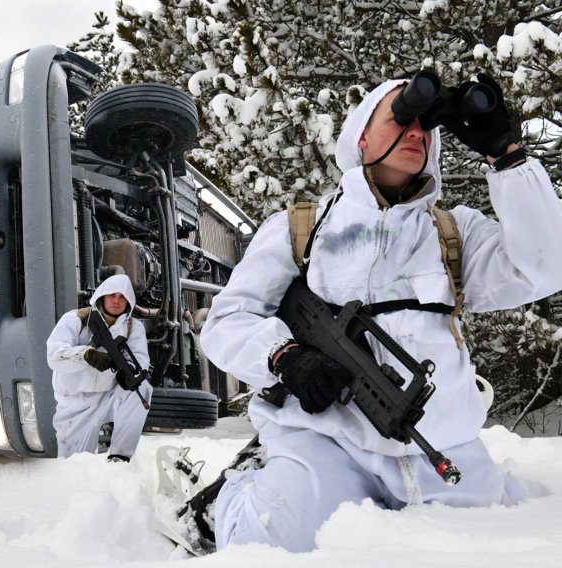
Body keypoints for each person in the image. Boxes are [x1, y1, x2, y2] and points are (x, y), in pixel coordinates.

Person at [200, 74, 562, 553]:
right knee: (270, 539)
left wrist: (507, 156)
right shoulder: (302, 228)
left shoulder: (455, 234)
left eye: (426, 124)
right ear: (361, 137)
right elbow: (227, 321)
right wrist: (284, 356)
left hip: (441, 443)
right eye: (401, 117)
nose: (417, 131)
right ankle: (227, 497)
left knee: (490, 551)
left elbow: (547, 266)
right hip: (328, 440)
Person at [47, 274, 152, 462]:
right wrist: (86, 356)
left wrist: (128, 372)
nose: (116, 301)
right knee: (71, 466)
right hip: (73, 403)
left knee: (141, 389)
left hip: (106, 396)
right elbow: (54, 355)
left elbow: (140, 359)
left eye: (122, 297)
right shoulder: (76, 320)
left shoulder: (132, 327)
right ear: (102, 296)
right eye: (112, 295)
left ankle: (120, 457)